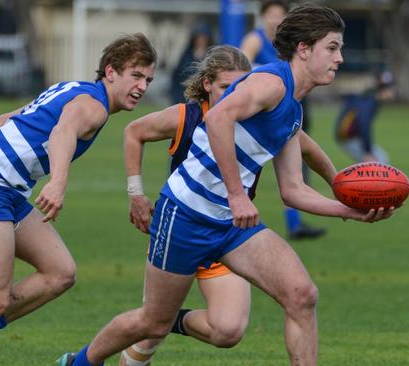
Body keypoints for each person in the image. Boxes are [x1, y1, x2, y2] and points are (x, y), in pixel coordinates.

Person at [58, 4, 395, 366]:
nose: (340, 58)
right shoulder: (271, 82)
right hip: (185, 215)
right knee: (153, 321)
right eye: (332, 48)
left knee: (301, 294)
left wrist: (349, 211)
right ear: (303, 49)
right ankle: (80, 363)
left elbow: (293, 190)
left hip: (230, 226)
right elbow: (218, 118)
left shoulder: (293, 111)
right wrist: (237, 195)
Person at [118, 45, 338, 366]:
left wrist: (340, 185)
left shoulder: (258, 114)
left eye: (241, 85)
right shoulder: (187, 115)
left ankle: (169, 320)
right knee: (151, 329)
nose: (235, 92)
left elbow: (307, 147)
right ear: (208, 84)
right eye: (225, 86)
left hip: (227, 231)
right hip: (183, 222)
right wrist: (136, 194)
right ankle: (107, 352)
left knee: (228, 331)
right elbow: (133, 131)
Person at [0, 33, 156, 365]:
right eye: (136, 75)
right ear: (111, 72)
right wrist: (58, 182)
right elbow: (62, 133)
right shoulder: (95, 106)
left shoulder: (71, 87)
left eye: (148, 79)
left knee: (60, 272)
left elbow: (8, 120)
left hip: (6, 190)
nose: (142, 87)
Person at [240, 0, 326, 240]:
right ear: (263, 17)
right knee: (251, 165)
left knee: (295, 164)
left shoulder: (291, 44)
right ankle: (234, 209)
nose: (275, 19)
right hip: (266, 107)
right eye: (271, 14)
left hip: (292, 105)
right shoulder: (255, 39)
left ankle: (295, 223)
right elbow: (242, 66)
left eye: (280, 15)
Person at [334, 70, 395, 164]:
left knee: (371, 162)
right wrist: (368, 151)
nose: (392, 92)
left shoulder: (368, 97)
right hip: (348, 137)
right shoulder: (370, 101)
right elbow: (363, 124)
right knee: (380, 159)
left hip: (350, 136)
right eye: (390, 89)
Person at [170, 25, 213, 104]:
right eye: (198, 38)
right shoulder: (186, 55)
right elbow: (177, 75)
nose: (201, 41)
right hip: (185, 95)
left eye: (203, 38)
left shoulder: (211, 55)